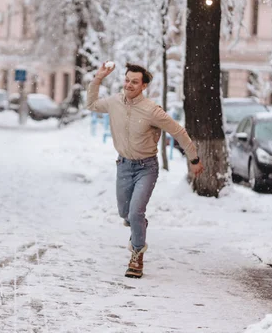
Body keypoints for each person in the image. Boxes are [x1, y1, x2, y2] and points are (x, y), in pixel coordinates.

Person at [87, 61, 204, 278]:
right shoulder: (114, 102)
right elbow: (92, 104)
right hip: (123, 166)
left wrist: (194, 159)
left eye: (135, 82)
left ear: (143, 86)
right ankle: (137, 224)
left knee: (135, 211)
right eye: (127, 80)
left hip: (146, 168)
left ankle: (137, 256)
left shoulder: (152, 111)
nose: (129, 85)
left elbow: (178, 132)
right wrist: (98, 78)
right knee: (126, 213)